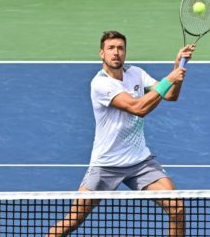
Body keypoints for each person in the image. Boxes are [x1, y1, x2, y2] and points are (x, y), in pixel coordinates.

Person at [47, 31, 195, 237]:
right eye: (111, 48)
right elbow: (138, 108)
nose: (116, 53)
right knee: (74, 220)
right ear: (102, 53)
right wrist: (170, 77)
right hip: (106, 164)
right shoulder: (100, 84)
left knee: (177, 207)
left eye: (120, 48)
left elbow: (170, 95)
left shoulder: (136, 73)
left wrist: (177, 68)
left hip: (139, 161)